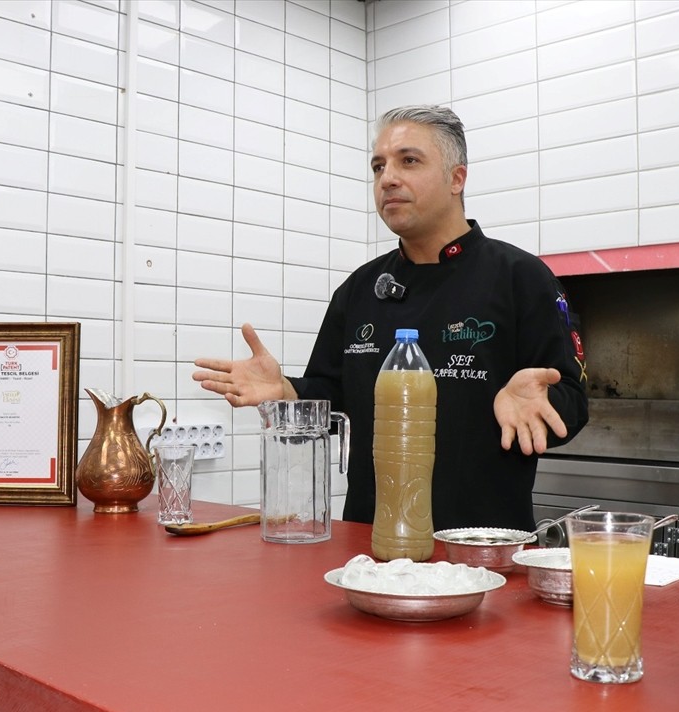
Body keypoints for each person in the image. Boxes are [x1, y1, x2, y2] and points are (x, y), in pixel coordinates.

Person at [193, 105, 588, 532]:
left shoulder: (521, 277)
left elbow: (571, 397)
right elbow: (332, 397)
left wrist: (539, 403)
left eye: (409, 161)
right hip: (369, 541)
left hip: (481, 543)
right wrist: (286, 391)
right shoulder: (361, 289)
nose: (388, 178)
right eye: (378, 166)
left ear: (457, 178)